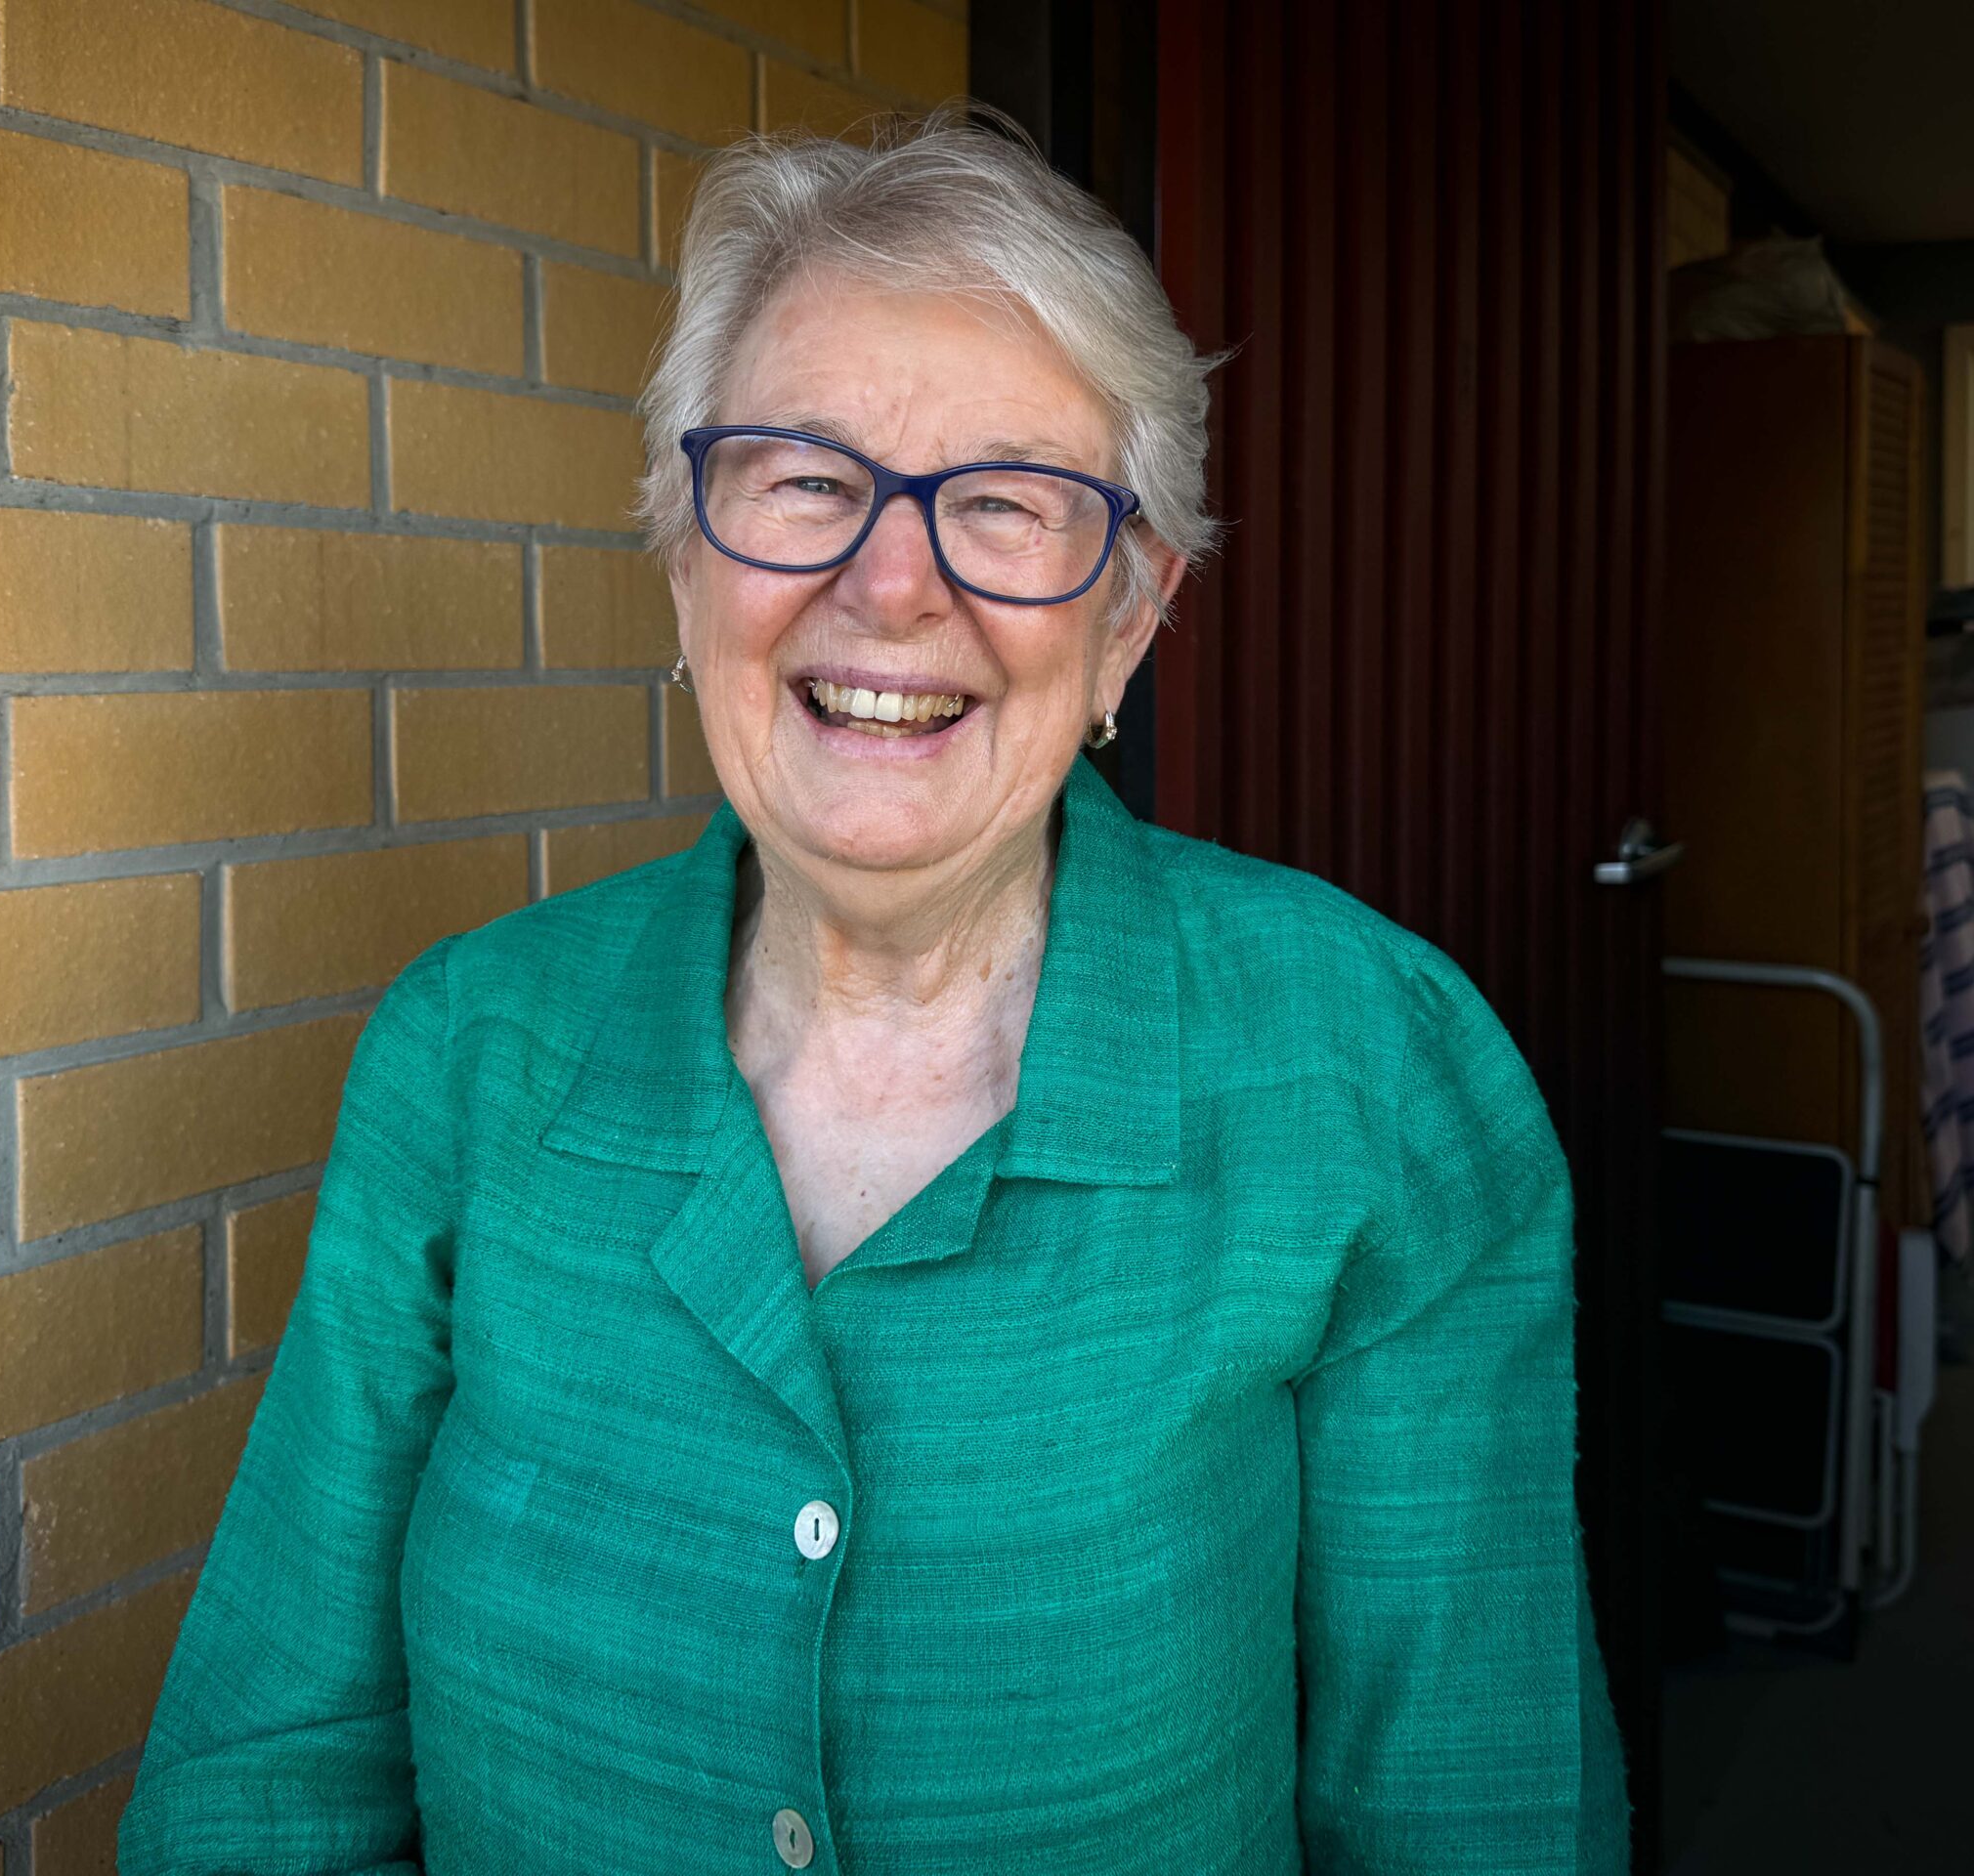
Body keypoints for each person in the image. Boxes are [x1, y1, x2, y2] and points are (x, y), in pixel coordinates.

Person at [116, 107, 1631, 1875]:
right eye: (806, 483)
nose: (891, 583)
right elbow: (269, 1778)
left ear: (1129, 621)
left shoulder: (1371, 1071)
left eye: (1005, 504)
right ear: (690, 559)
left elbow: (1477, 1806)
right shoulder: (469, 1054)